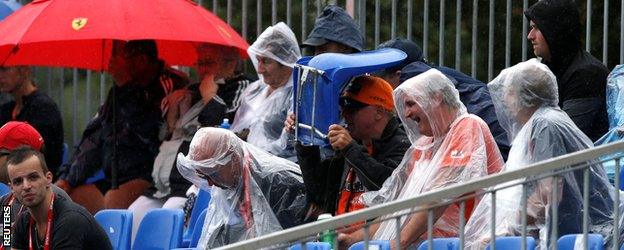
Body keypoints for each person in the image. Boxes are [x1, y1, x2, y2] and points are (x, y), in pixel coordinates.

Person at [464, 59, 621, 249]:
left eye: (510, 94)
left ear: (525, 96)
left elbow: (550, 190)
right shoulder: (547, 120)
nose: (506, 102)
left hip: (595, 232)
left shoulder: (544, 125)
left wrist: (507, 230)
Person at [338, 69, 503, 248]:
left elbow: (439, 197)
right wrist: (352, 239)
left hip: (466, 243)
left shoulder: (467, 126)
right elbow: (396, 211)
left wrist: (398, 243)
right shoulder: (423, 145)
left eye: (410, 104)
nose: (407, 114)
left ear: (436, 97)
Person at [56, 40, 189, 214]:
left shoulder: (169, 84)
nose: (109, 61)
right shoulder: (119, 91)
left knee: (114, 199)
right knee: (68, 198)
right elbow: (94, 137)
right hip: (115, 178)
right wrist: (67, 179)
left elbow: (151, 136)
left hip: (149, 177)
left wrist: (126, 88)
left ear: (140, 60)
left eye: (116, 55)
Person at [128, 44, 238, 239]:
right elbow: (159, 135)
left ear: (230, 64)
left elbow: (225, 132)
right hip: (161, 181)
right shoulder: (191, 90)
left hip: (190, 183)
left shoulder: (238, 87)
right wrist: (171, 116)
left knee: (167, 218)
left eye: (209, 63)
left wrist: (210, 98)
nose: (203, 69)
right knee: (133, 212)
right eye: (199, 63)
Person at [285, 75, 410, 218]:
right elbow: (318, 192)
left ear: (379, 112)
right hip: (339, 234)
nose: (344, 114)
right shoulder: (353, 142)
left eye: (352, 108)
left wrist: (351, 149)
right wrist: (305, 141)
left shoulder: (402, 144)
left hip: (375, 237)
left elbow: (390, 187)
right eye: (343, 106)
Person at [377, 38, 510, 160]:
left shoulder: (475, 103)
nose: (406, 112)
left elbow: (502, 154)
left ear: (399, 77)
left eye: (380, 84)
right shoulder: (430, 96)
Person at [176, 127, 308, 248]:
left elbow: (298, 239)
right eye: (204, 177)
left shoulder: (281, 181)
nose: (210, 184)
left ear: (233, 158)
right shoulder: (226, 185)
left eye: (213, 174)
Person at [525, 0, 608, 141]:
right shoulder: (550, 67)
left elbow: (563, 138)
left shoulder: (586, 73)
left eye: (537, 28)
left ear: (554, 30)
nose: (530, 36)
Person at [7, 147, 111, 249]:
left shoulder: (70, 220)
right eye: (18, 181)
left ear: (48, 178)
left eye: (33, 177)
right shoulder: (23, 221)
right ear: (11, 188)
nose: (26, 186)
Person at [230, 22, 301, 160]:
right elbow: (238, 127)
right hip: (248, 163)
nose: (259, 69)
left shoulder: (297, 94)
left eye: (266, 62)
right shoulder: (255, 90)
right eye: (258, 61)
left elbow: (289, 147)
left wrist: (255, 156)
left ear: (286, 62)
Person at [0, 66, 63, 178]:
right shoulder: (7, 109)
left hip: (37, 180)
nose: (0, 75)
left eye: (5, 69)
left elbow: (37, 154)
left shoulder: (43, 107)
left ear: (24, 70)